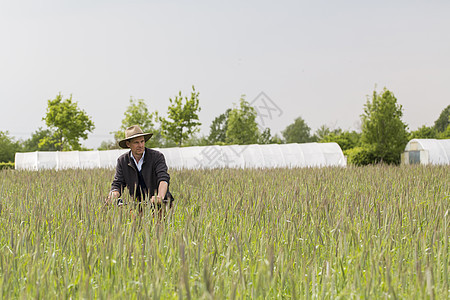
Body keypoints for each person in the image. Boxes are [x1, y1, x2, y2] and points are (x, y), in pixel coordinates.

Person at [105, 125, 174, 210]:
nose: (140, 145)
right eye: (136, 142)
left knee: (160, 222)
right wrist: (113, 195)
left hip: (160, 205)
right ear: (128, 144)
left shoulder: (157, 157)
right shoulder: (122, 161)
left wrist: (160, 196)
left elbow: (163, 178)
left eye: (142, 141)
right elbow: (118, 183)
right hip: (138, 206)